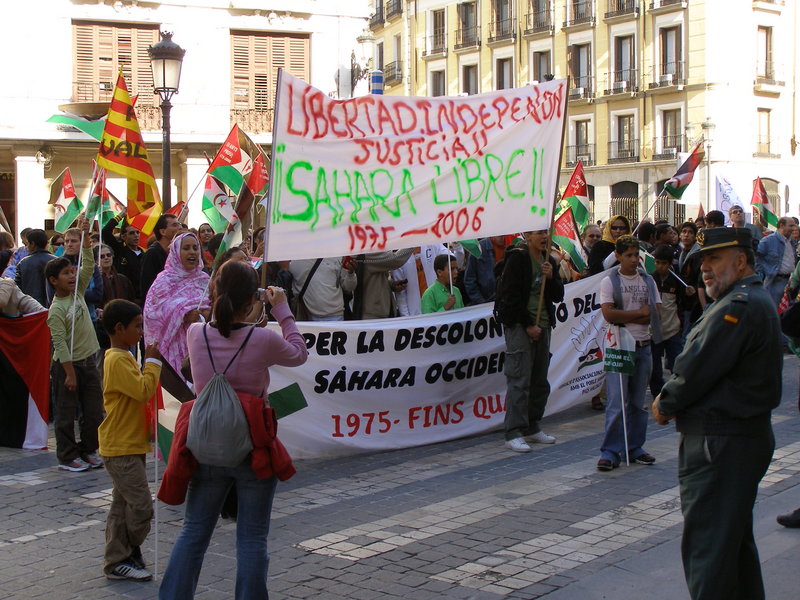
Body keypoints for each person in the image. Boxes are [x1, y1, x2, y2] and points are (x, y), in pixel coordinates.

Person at [157, 260, 308, 599]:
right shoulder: (262, 340)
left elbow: (219, 325)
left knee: (194, 532)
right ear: (251, 299)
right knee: (252, 538)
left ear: (214, 293)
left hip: (205, 444)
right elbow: (299, 354)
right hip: (252, 446)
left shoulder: (196, 334)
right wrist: (282, 311)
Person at [652, 227, 781, 600]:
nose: (705, 268)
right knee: (732, 546)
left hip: (721, 442)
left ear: (741, 261)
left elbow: (697, 366)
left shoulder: (738, 307)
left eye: (714, 259)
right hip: (732, 440)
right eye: (702, 261)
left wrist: (666, 402)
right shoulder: (744, 300)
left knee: (709, 549)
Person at [98, 299, 162, 581]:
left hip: (130, 443)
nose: (141, 331)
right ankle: (128, 549)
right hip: (119, 445)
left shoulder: (123, 357)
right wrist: (152, 363)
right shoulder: (116, 359)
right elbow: (143, 390)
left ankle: (118, 559)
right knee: (141, 506)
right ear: (119, 329)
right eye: (137, 327)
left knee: (121, 505)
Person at [495, 230, 564, 452]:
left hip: (543, 327)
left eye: (546, 232)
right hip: (520, 327)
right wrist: (528, 325)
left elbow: (558, 295)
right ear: (528, 237)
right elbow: (510, 297)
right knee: (519, 379)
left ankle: (532, 426)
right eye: (539, 233)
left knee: (539, 380)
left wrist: (551, 277)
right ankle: (513, 432)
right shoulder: (518, 259)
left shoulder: (549, 261)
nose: (545, 237)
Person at [597, 235, 661, 471]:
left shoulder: (648, 281)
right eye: (629, 255)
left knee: (637, 402)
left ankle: (634, 447)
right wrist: (638, 314)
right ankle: (610, 450)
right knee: (616, 401)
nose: (634, 260)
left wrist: (642, 314)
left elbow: (654, 313)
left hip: (643, 345)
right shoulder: (609, 281)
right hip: (620, 348)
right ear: (618, 256)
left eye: (637, 255)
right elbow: (609, 314)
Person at [45, 216, 104, 472]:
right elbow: (60, 344)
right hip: (67, 367)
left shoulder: (78, 292)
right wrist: (69, 373)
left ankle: (88, 449)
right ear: (53, 281)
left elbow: (89, 265)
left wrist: (87, 238)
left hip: (88, 360)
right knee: (66, 414)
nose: (72, 276)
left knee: (93, 412)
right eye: (65, 274)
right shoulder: (56, 310)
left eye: (72, 272)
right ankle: (68, 456)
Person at [144, 233, 211, 381]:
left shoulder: (204, 280)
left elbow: (213, 307)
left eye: (195, 247)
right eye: (186, 248)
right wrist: (183, 314)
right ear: (175, 252)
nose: (192, 252)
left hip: (200, 346)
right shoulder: (163, 281)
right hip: (172, 348)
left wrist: (204, 315)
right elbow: (151, 315)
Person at [650, 244, 685, 396]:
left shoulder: (677, 280)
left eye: (664, 263)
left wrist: (690, 292)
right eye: (657, 262)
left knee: (677, 363)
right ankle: (657, 392)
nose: (660, 266)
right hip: (654, 330)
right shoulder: (650, 279)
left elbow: (682, 303)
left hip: (673, 328)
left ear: (670, 264)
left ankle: (677, 390)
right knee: (655, 365)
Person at [351, 248, 413, 319]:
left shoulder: (364, 251)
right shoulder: (368, 253)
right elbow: (395, 260)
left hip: (375, 312)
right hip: (375, 316)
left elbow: (373, 277)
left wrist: (390, 284)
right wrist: (413, 242)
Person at [289, 257, 357, 321]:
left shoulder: (337, 255)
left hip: (335, 317)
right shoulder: (295, 257)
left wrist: (351, 274)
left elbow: (349, 287)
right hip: (306, 317)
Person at [393, 244, 451, 315]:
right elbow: (400, 294)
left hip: (438, 308)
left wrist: (457, 246)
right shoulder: (400, 256)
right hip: (415, 313)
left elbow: (452, 260)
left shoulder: (433, 245)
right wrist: (406, 317)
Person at [756, 216, 798, 306]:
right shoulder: (768, 240)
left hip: (790, 283)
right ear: (782, 225)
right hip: (775, 282)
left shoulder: (791, 241)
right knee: (775, 311)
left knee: (788, 313)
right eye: (790, 226)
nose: (793, 229)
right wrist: (766, 271)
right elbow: (756, 257)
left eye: (794, 226)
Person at [139, 213, 181, 300]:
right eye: (175, 225)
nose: (179, 228)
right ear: (163, 231)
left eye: (179, 224)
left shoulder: (174, 252)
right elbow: (147, 285)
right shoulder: (152, 254)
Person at [102, 214, 145, 298]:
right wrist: (121, 215)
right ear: (123, 236)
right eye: (132, 233)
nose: (136, 235)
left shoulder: (145, 254)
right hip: (124, 295)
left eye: (137, 232)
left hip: (141, 297)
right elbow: (106, 231)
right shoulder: (119, 250)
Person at [14, 229, 55, 307]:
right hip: (53, 307)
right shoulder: (57, 261)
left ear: (32, 244)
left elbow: (17, 287)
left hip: (29, 308)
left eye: (28, 244)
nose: (27, 247)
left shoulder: (23, 263)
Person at [463, 237, 506, 306]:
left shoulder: (510, 246)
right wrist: (481, 302)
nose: (502, 238)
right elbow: (469, 279)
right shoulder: (478, 249)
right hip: (485, 304)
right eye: (499, 235)